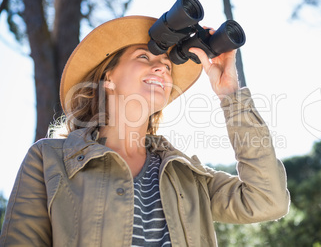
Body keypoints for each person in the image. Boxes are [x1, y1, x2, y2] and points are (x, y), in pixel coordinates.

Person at [0, 15, 290, 247]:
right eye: (144, 58)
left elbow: (268, 200)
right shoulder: (48, 160)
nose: (161, 70)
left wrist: (231, 95)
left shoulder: (186, 176)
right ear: (108, 78)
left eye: (167, 66)